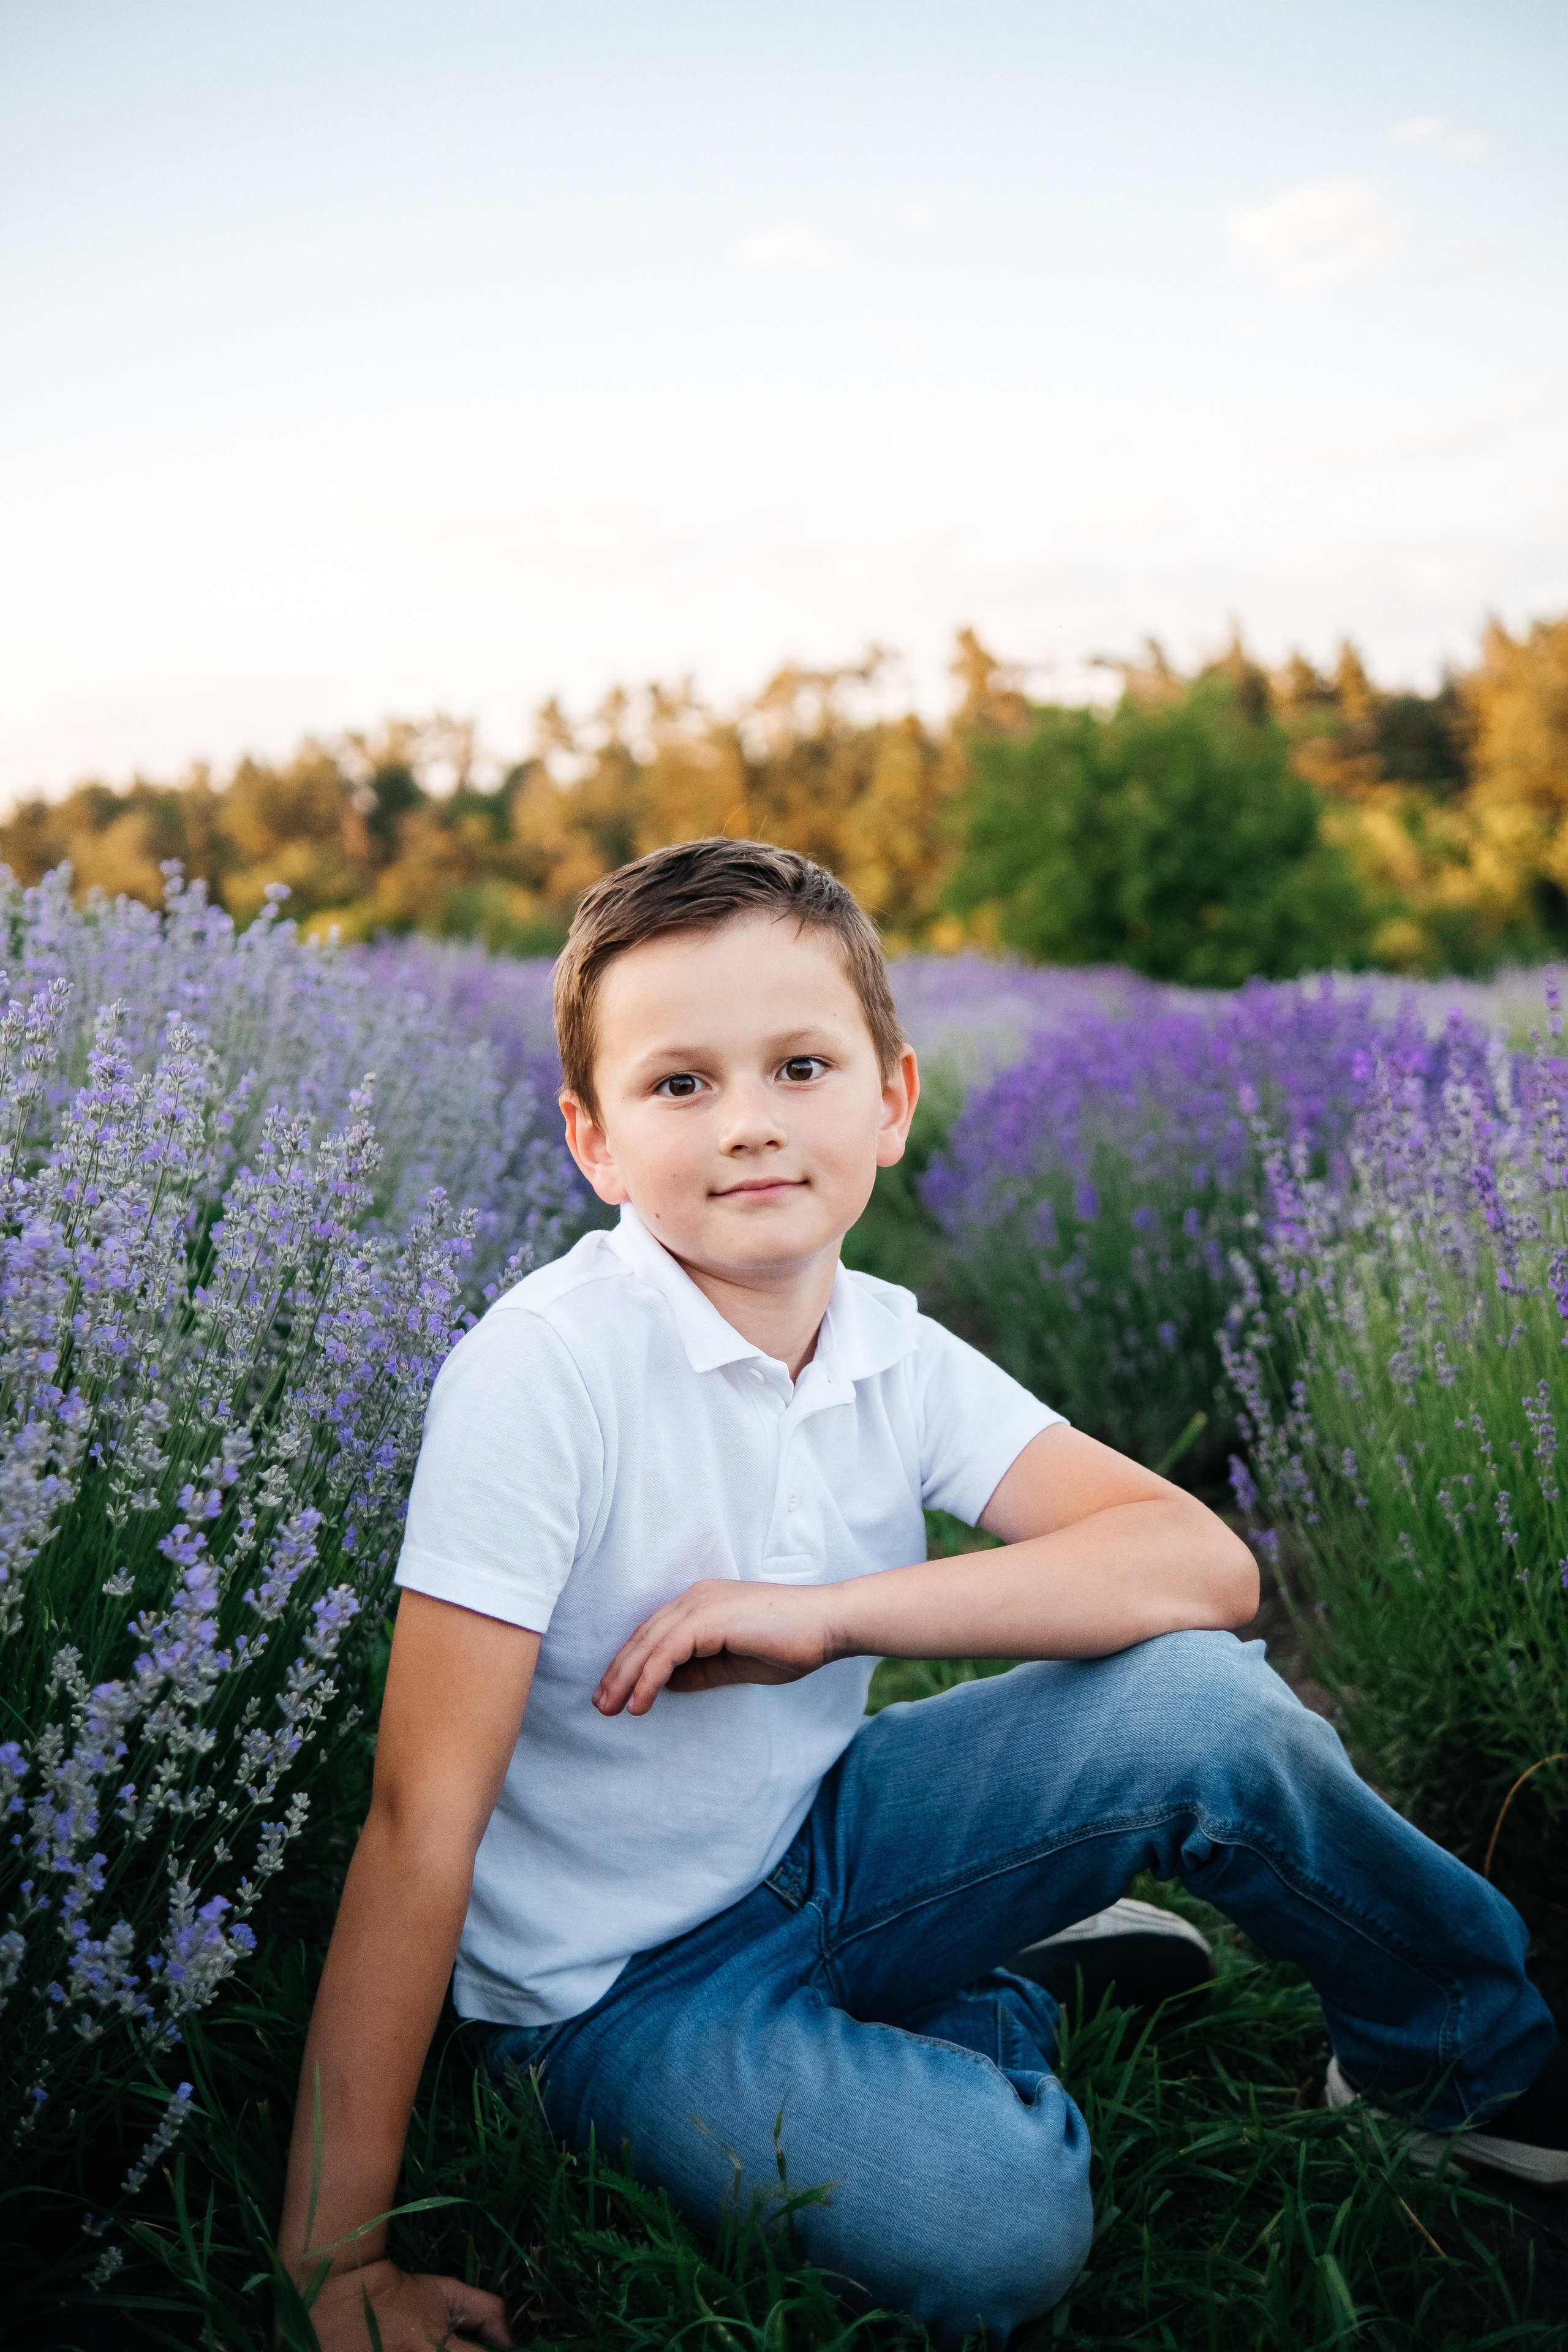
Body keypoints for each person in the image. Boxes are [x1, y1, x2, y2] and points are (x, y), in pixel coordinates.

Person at [278, 839, 1564, 2351]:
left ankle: (1447, 2062)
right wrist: (332, 2260)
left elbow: (1202, 1571)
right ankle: (986, 1984)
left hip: (822, 1833)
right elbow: (418, 1818)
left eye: (801, 1066)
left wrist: (833, 1616)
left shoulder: (886, 1339)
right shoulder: (543, 1371)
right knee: (1001, 2228)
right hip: (613, 1992)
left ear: (889, 1100)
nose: (749, 1124)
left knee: (1208, 1705)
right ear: (594, 1141)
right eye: (679, 1084)